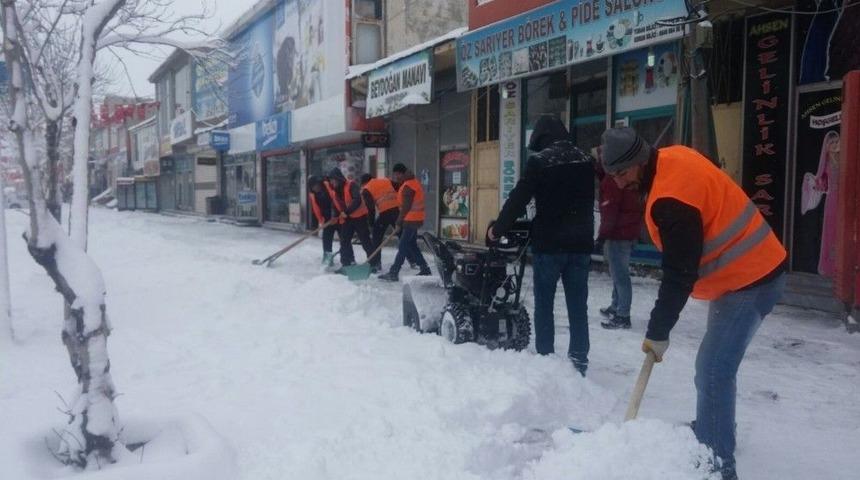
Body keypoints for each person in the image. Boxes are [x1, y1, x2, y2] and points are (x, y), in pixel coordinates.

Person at [600, 127, 787, 480]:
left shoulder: (670, 200)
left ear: (639, 161)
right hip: (743, 273)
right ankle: (712, 429)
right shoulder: (674, 157)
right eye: (612, 175)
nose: (620, 183)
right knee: (713, 366)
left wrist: (658, 330)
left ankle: (717, 464)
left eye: (622, 173)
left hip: (752, 278)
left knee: (714, 367)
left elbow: (679, 274)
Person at [488, 114, 595, 376]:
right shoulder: (586, 160)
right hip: (581, 244)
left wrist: (497, 229)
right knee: (578, 305)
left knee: (545, 304)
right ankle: (579, 360)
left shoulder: (540, 161)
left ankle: (546, 358)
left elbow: (519, 198)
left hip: (550, 244)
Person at [595, 162, 644, 329]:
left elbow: (610, 210)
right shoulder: (626, 176)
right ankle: (615, 306)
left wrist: (602, 235)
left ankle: (623, 315)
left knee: (620, 275)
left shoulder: (612, 180)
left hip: (618, 234)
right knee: (618, 273)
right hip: (628, 231)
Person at [378, 163, 431, 281]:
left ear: (402, 173)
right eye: (394, 174)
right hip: (414, 218)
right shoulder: (412, 182)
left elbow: (406, 207)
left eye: (397, 174)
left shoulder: (408, 186)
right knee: (411, 245)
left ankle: (394, 272)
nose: (395, 176)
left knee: (403, 246)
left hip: (410, 219)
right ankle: (425, 268)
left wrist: (398, 223)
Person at [325, 168, 377, 271]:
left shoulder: (351, 185)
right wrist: (334, 217)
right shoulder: (335, 192)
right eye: (330, 180)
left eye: (332, 180)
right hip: (347, 219)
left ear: (338, 178)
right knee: (344, 241)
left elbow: (357, 200)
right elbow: (336, 206)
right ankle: (346, 264)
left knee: (365, 241)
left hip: (359, 217)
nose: (331, 182)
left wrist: (346, 212)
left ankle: (373, 264)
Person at [360, 173, 400, 270]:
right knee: (402, 236)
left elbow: (371, 209)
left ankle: (376, 263)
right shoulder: (386, 180)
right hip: (397, 210)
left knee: (376, 236)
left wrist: (371, 224)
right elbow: (400, 188)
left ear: (364, 183)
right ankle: (413, 260)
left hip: (385, 213)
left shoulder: (367, 189)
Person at [308, 175, 339, 265]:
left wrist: (335, 215)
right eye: (313, 187)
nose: (315, 188)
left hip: (338, 217)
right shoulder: (314, 195)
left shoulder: (328, 188)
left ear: (319, 184)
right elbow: (315, 209)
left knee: (344, 240)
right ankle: (327, 258)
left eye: (316, 186)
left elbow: (336, 201)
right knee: (326, 240)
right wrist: (314, 225)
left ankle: (348, 259)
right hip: (327, 220)